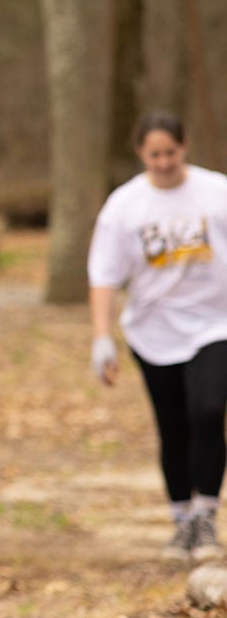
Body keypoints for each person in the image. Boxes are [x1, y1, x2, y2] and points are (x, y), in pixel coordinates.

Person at [89, 111, 227, 565]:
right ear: (141, 154)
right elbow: (105, 275)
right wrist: (101, 337)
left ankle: (207, 513)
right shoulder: (125, 205)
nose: (164, 162)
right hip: (154, 331)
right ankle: (181, 520)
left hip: (214, 324)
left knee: (208, 410)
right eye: (154, 154)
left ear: (184, 147)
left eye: (171, 152)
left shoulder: (215, 192)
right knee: (173, 426)